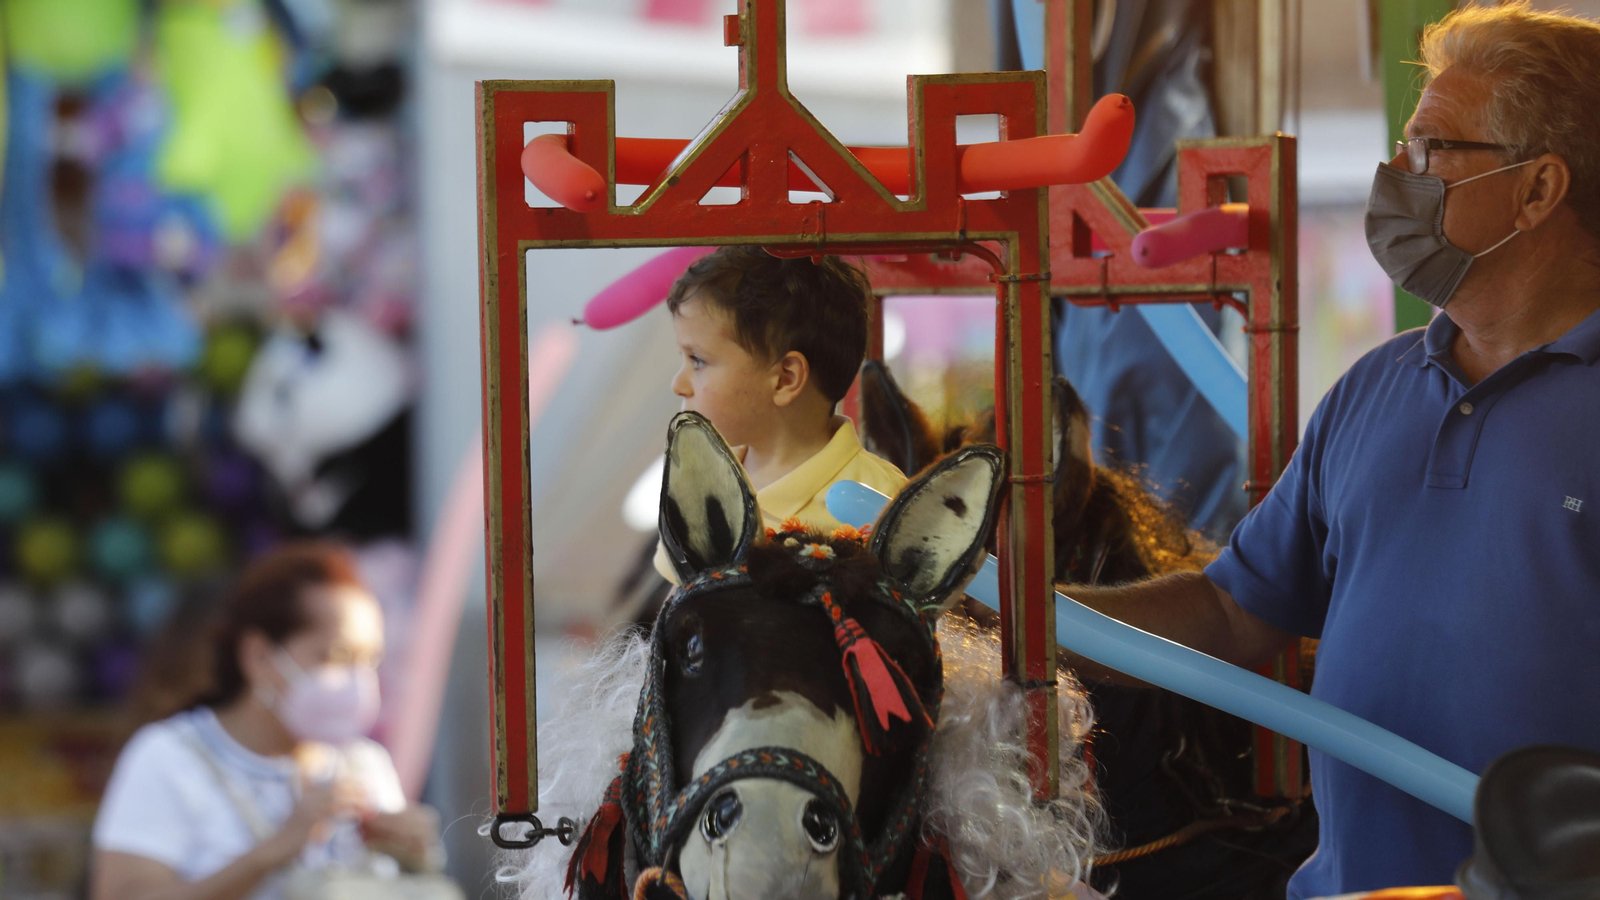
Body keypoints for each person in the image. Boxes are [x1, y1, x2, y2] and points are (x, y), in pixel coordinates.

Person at [1054, 4, 1600, 897]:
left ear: (1538, 191)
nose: (1395, 176)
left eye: (1430, 150)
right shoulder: (1374, 389)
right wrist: (1013, 621)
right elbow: (1235, 614)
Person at [92, 542, 445, 900]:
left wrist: (412, 852)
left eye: (369, 660)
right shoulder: (168, 758)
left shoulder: (364, 764)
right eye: (336, 656)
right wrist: (276, 850)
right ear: (258, 656)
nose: (357, 681)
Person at [652, 246, 906, 583]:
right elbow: (680, 605)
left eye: (697, 360)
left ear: (785, 378)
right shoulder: (700, 485)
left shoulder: (882, 500)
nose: (678, 384)